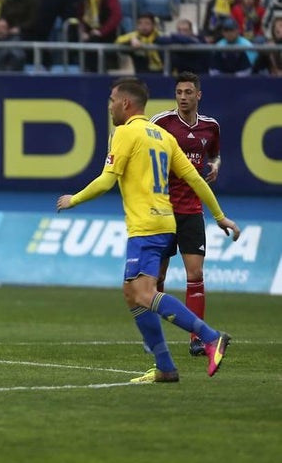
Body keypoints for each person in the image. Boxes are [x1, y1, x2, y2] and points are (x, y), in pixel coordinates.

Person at [57, 78, 238, 383]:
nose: (110, 105)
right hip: (165, 222)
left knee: (143, 293)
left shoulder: (125, 133)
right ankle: (165, 367)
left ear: (126, 103)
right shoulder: (164, 136)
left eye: (113, 99)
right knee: (132, 293)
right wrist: (220, 217)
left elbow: (106, 179)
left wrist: (73, 199)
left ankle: (209, 336)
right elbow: (196, 180)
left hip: (145, 227)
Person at [151, 73, 221, 358]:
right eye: (179, 91)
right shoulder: (161, 122)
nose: (182, 97)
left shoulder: (211, 127)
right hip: (163, 209)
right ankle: (152, 336)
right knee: (157, 277)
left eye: (188, 92)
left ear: (198, 95)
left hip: (191, 211)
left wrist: (215, 165)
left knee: (195, 274)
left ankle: (196, 338)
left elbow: (215, 154)